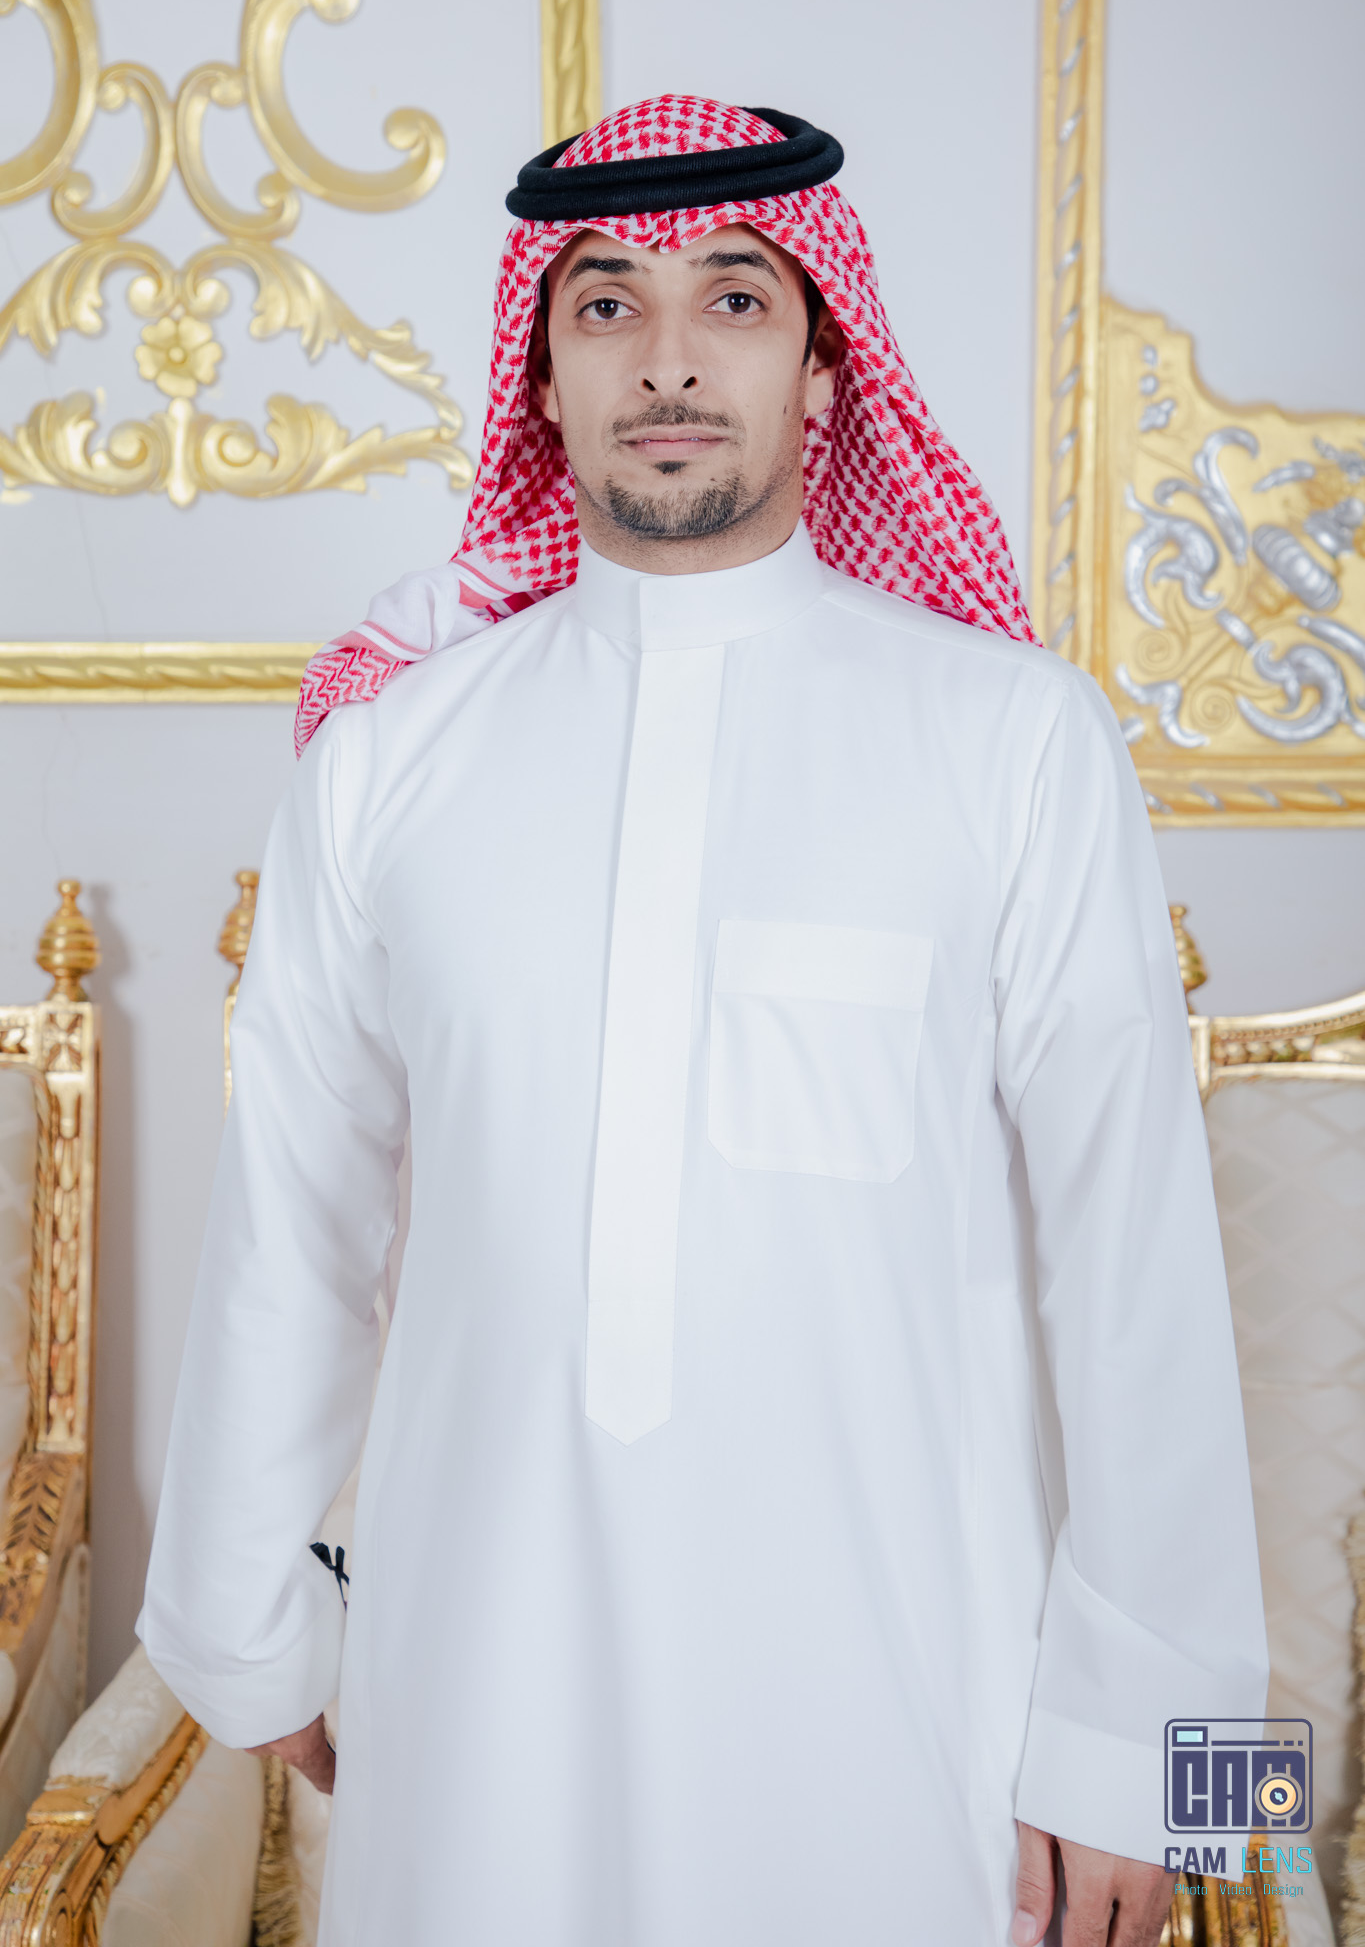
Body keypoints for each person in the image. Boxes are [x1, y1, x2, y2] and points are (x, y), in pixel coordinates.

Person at [140, 97, 1267, 1947]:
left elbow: (1139, 1270)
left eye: (733, 299)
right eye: (606, 305)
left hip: (913, 1711)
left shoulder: (1016, 738)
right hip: (477, 1700)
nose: (666, 359)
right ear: (541, 374)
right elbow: (292, 1227)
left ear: (823, 363)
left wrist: (1164, 1776)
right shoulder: (388, 765)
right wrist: (245, 1631)